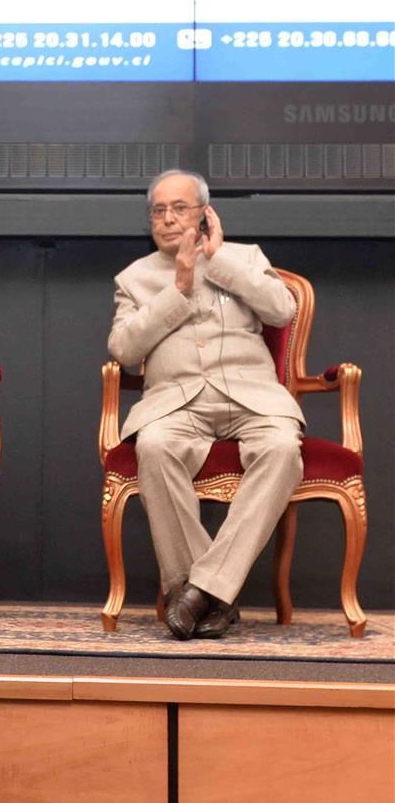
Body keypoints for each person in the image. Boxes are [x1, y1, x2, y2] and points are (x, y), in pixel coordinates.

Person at [107, 169, 303, 641]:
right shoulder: (135, 278)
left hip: (250, 395)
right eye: (159, 210)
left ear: (205, 214)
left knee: (282, 451)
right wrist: (177, 288)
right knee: (153, 447)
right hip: (178, 403)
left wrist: (217, 263)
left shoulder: (243, 257)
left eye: (181, 208)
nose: (169, 219)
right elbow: (123, 349)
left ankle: (196, 592)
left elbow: (282, 310)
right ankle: (212, 596)